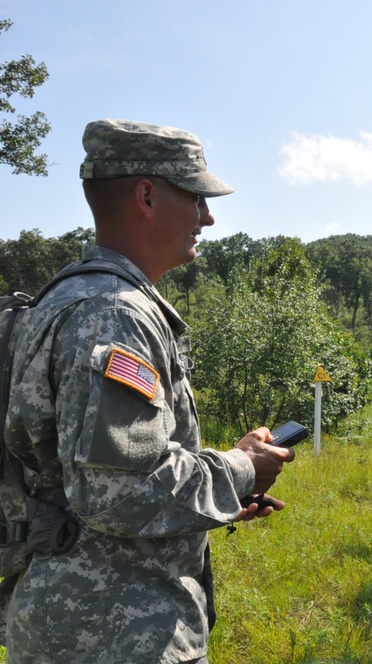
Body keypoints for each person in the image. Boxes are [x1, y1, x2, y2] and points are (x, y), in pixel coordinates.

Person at [2, 119, 296, 663]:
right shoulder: (114, 313)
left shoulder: (72, 295)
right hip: (116, 631)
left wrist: (221, 493)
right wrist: (241, 467)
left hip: (69, 622)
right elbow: (122, 493)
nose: (208, 216)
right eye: (197, 197)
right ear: (147, 196)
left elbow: (88, 474)